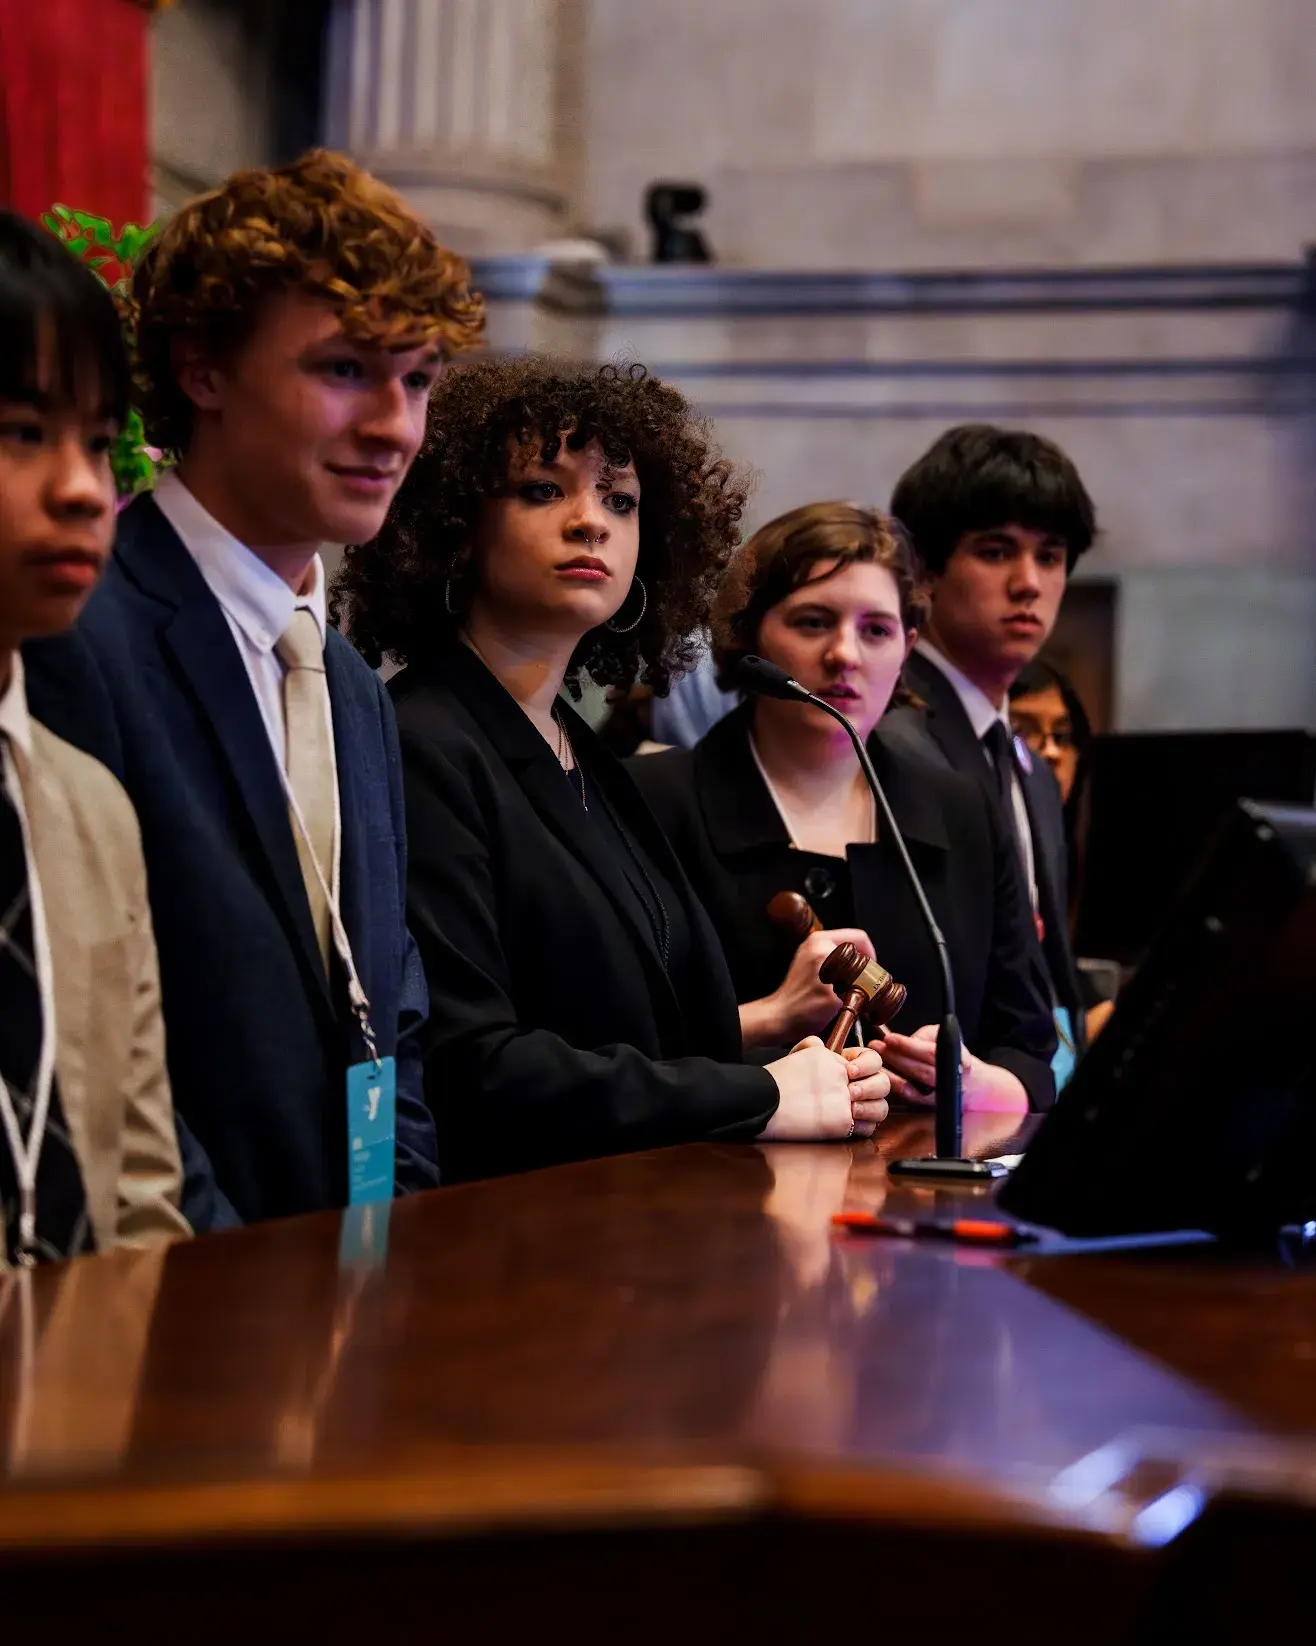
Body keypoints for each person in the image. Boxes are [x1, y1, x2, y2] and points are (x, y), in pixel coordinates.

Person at [25, 151, 481, 1229]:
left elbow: (393, 1007)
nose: (395, 425)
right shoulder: (78, 629)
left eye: (417, 380)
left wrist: (386, 1243)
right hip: (181, 1276)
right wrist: (244, 1283)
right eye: (344, 369)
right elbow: (99, 1044)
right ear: (203, 371)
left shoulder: (352, 683)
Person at [332, 356, 891, 1183]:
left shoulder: (581, 749)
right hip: (507, 1228)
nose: (591, 522)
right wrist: (764, 1094)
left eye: (620, 500)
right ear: (456, 528)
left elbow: (626, 1034)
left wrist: (789, 1052)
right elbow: (472, 1067)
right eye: (543, 490)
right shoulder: (424, 738)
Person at [631, 502, 1055, 1115]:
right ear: (748, 638)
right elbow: (605, 1046)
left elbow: (1030, 1052)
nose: (845, 655)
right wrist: (767, 1018)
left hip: (922, 1166)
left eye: (876, 630)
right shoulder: (651, 800)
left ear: (907, 647)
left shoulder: (961, 809)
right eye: (812, 623)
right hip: (717, 1165)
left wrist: (974, 1084)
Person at [0, 209, 187, 1265]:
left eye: (95, 438)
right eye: (23, 432)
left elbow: (142, 1187)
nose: (82, 489)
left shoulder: (89, 804)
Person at [885, 424, 1095, 1085]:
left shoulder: (1031, 769)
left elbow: (1041, 982)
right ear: (924, 568)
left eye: (1050, 556)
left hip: (1021, 1101)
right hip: (920, 1104)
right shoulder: (888, 737)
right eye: (997, 551)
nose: (1029, 583)